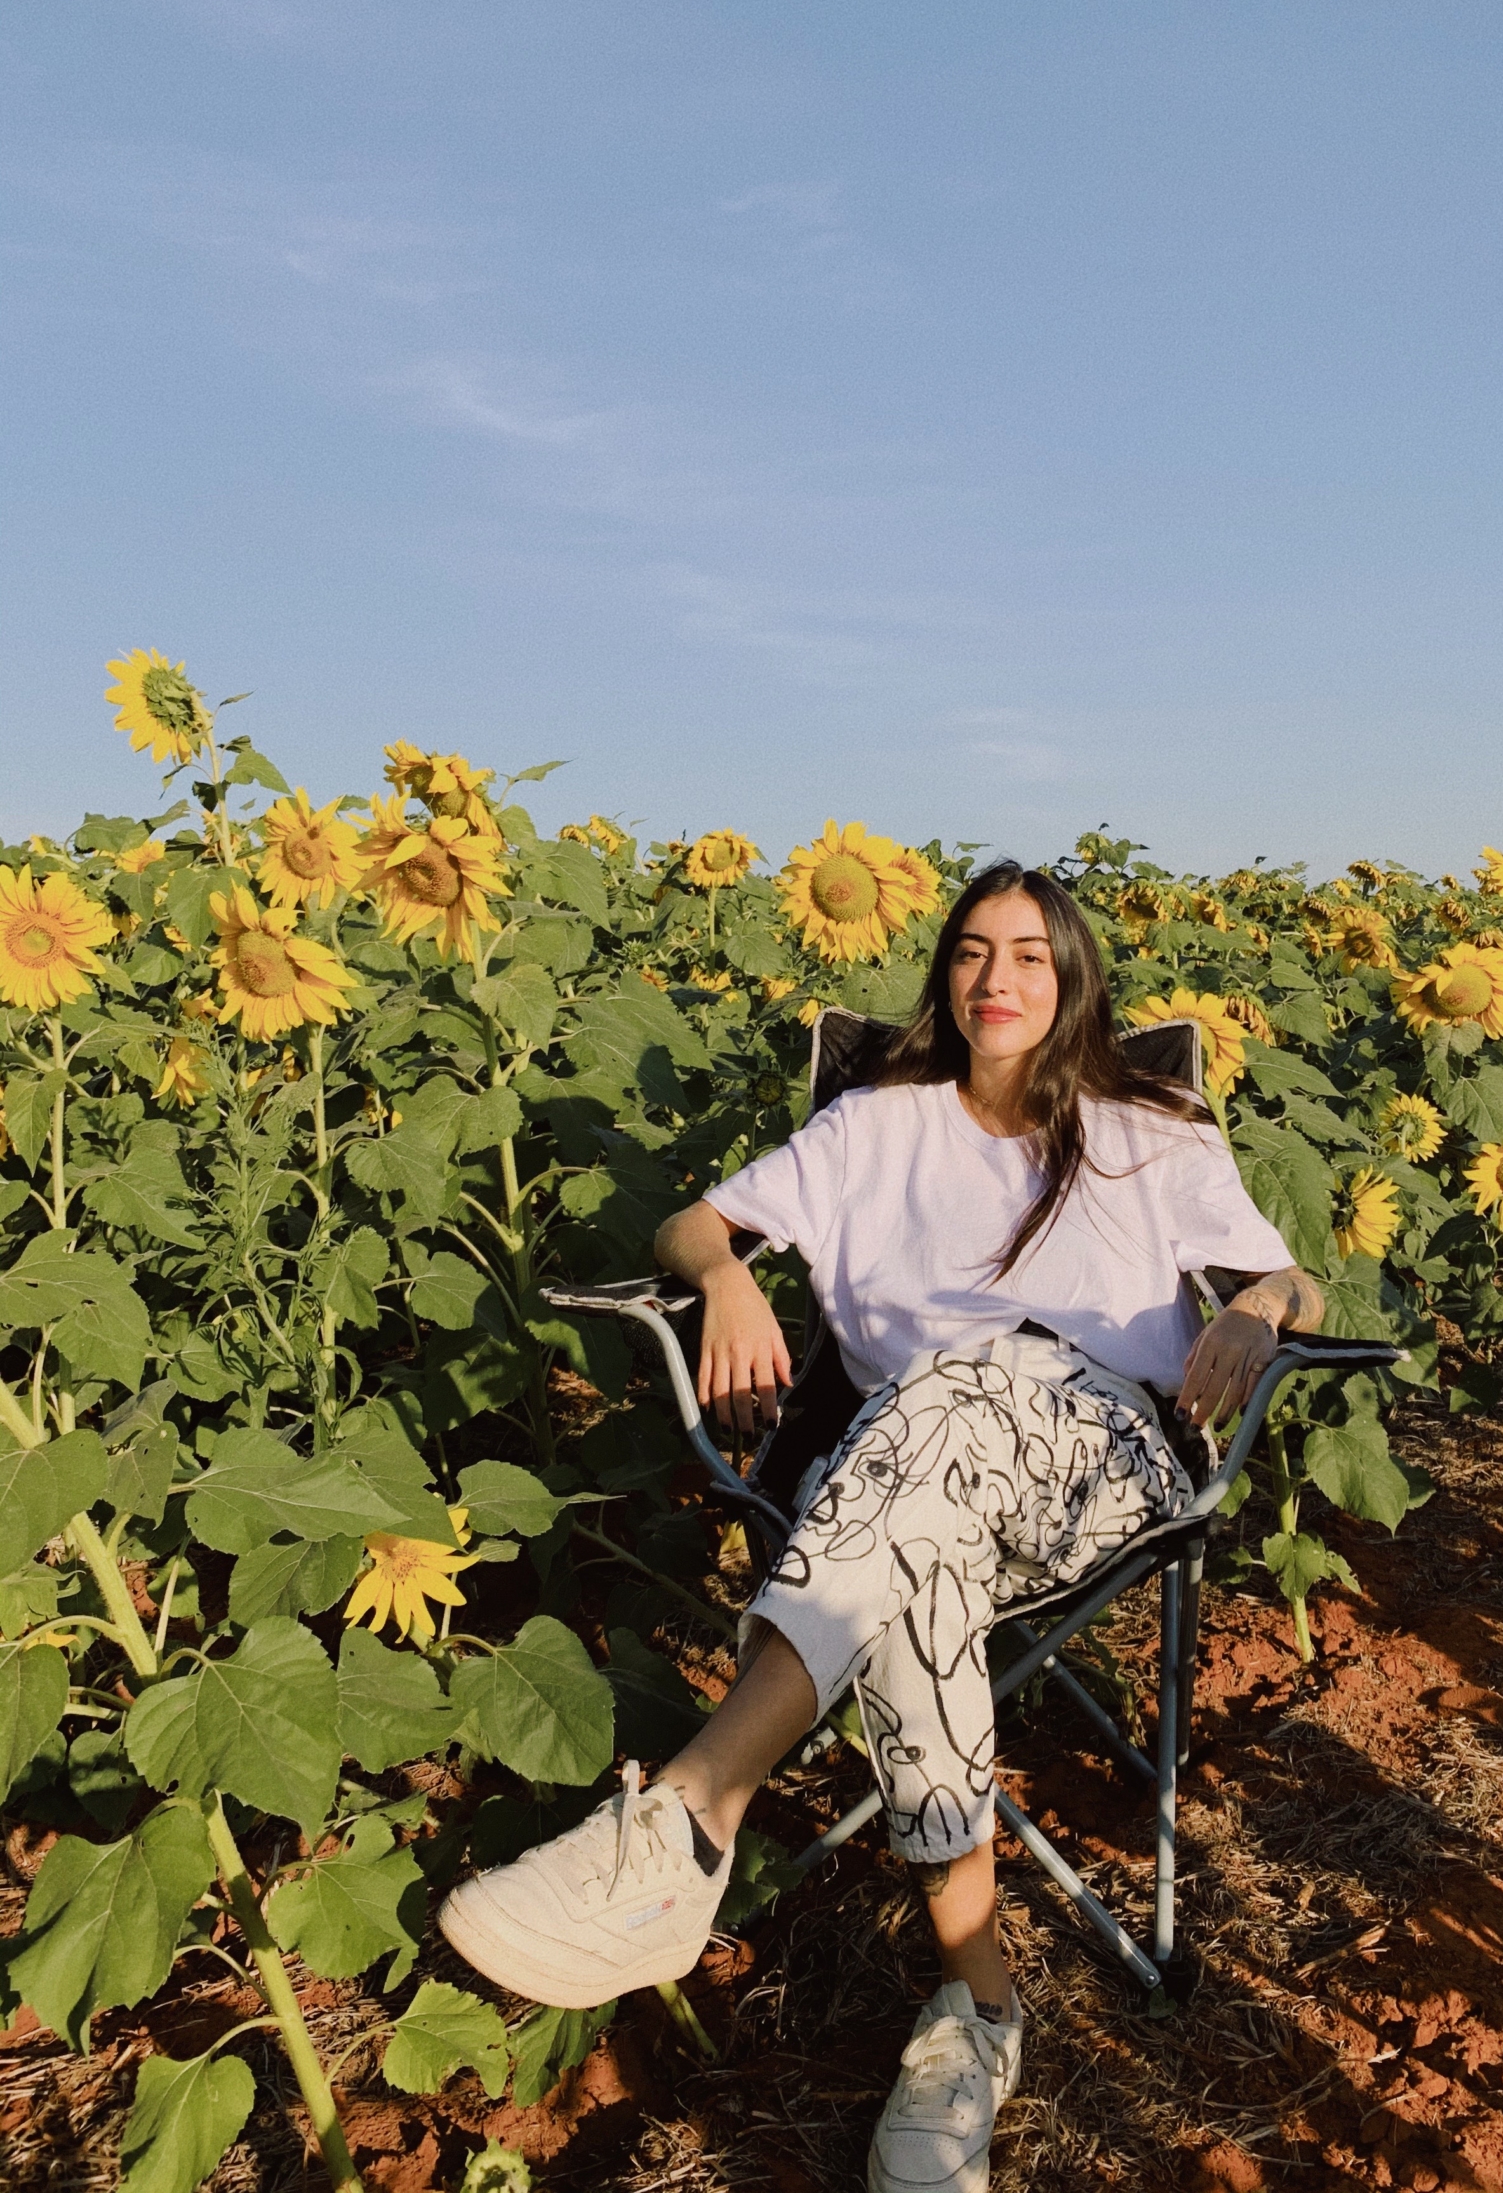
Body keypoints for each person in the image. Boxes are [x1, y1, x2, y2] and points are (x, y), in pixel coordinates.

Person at [441, 861, 1322, 2193]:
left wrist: (1257, 1311)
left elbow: (1290, 1276)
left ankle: (690, 1811)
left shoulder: (1147, 1123)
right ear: (944, 975)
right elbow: (692, 1223)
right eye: (971, 952)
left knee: (960, 1385)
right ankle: (979, 2013)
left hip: (1096, 1453)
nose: (996, 978)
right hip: (906, 1480)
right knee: (917, 1560)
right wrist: (729, 1278)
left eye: (1028, 955)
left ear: (1073, 977)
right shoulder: (875, 1124)